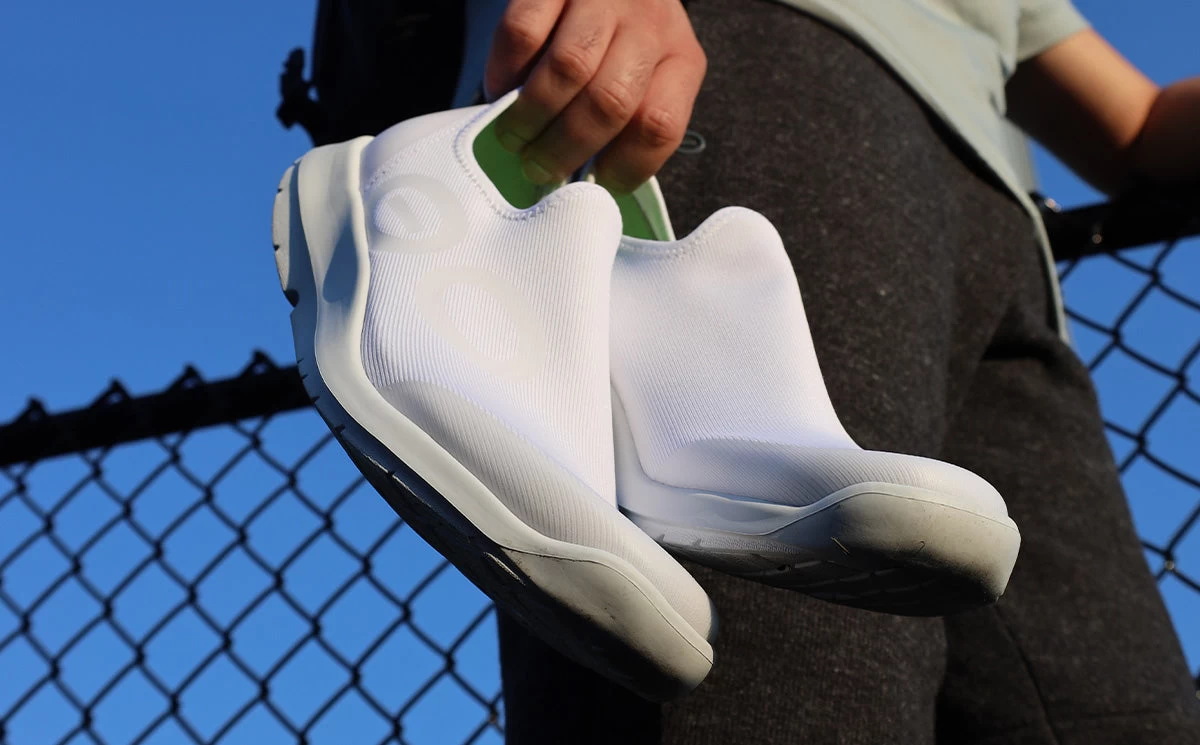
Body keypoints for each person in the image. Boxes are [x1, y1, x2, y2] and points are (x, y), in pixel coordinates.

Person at [476, 0, 1200, 742]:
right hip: (763, 82)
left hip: (1001, 241)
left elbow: (1137, 126)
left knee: (1123, 713)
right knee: (786, 689)